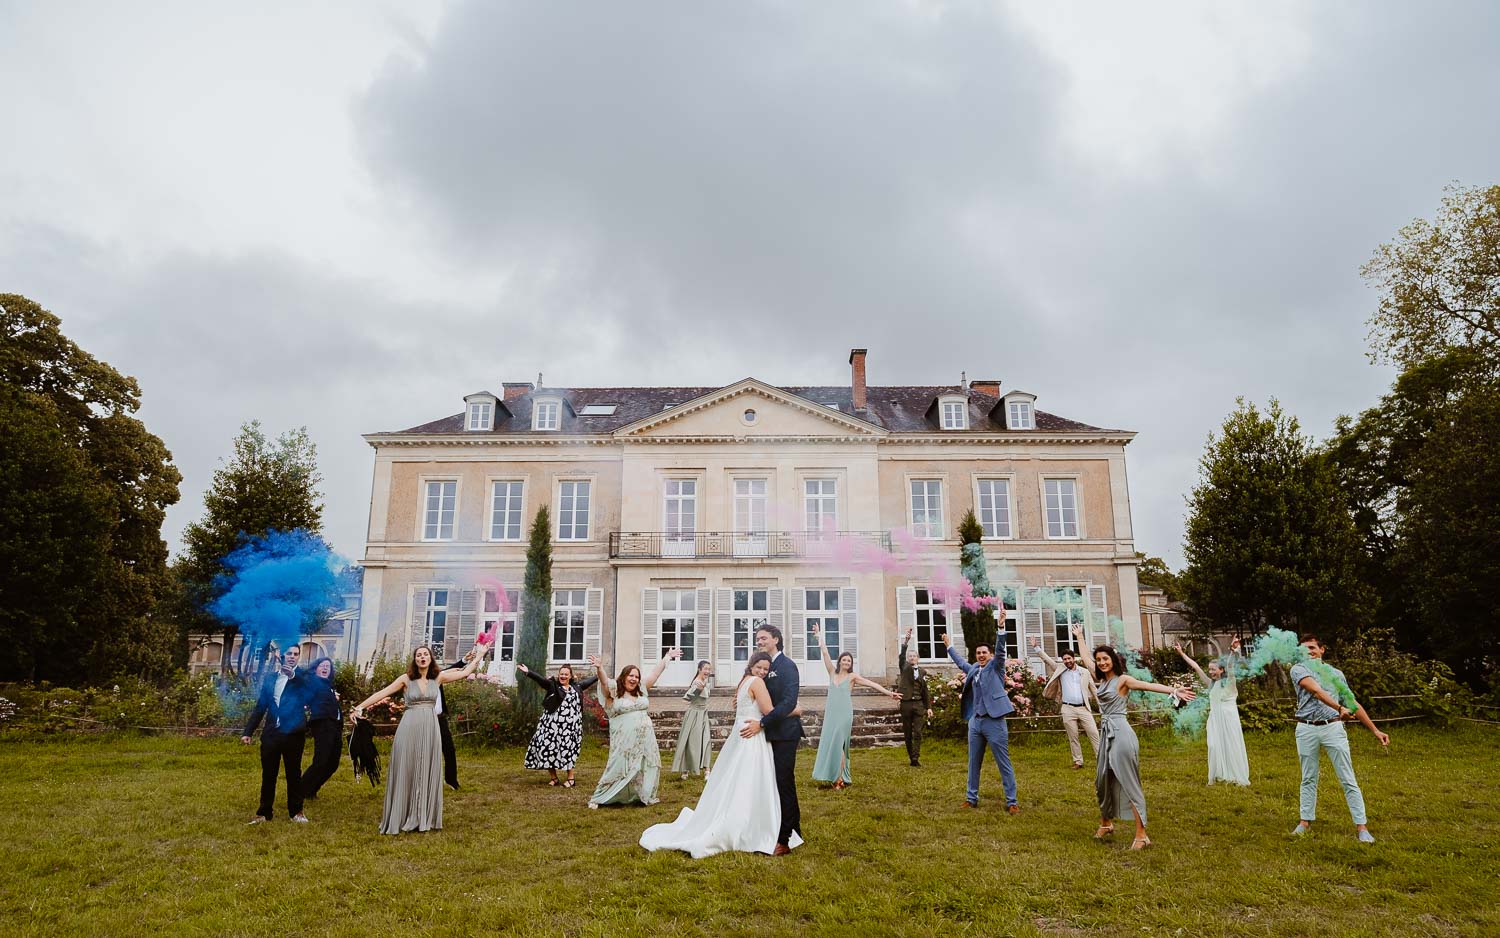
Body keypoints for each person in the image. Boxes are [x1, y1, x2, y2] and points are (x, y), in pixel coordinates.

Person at [640, 652, 804, 857]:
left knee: (736, 778)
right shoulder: (758, 683)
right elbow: (769, 711)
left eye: (766, 669)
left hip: (740, 734)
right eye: (759, 667)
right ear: (752, 666)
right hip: (752, 735)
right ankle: (748, 825)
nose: (762, 671)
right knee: (752, 780)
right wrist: (795, 710)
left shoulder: (744, 681)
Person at [1074, 624, 1195, 849]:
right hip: (1106, 735)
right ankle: (1106, 823)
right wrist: (1080, 636)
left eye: (1105, 659)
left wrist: (1174, 691)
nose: (1101, 662)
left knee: (1129, 783)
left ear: (1113, 660)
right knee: (1102, 781)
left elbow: (1148, 685)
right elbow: (1085, 658)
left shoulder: (1123, 680)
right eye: (1099, 659)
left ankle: (1141, 835)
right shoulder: (1101, 680)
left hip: (1121, 735)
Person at [350, 642, 484, 835]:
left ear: (430, 659)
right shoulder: (406, 679)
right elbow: (382, 693)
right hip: (409, 726)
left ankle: (423, 815)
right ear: (415, 660)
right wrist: (359, 707)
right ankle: (403, 813)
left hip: (430, 728)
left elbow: (464, 672)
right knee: (408, 766)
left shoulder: (438, 678)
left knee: (427, 767)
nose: (422, 657)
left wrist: (480, 655)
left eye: (426, 655)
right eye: (419, 655)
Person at [1289, 634, 1389, 843]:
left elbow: (1353, 703)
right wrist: (1339, 707)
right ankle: (1304, 822)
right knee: (1308, 777)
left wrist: (1375, 730)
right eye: (1304, 649)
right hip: (1306, 729)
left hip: (1332, 728)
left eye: (1312, 648)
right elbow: (1315, 690)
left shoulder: (1336, 674)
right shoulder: (1298, 669)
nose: (1309, 652)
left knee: (1347, 778)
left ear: (1322, 649)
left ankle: (1362, 827)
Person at [586, 648, 681, 808]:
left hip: (645, 739)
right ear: (623, 677)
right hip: (623, 741)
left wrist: (667, 658)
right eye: (631, 675)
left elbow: (655, 674)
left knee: (643, 766)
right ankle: (599, 797)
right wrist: (599, 668)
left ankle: (640, 793)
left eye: (636, 676)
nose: (634, 679)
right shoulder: (614, 692)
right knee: (618, 766)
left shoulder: (641, 690)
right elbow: (603, 681)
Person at [738, 624, 803, 856]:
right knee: (773, 784)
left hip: (785, 733)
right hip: (766, 736)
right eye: (757, 638)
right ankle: (786, 829)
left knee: (784, 783)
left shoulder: (787, 666)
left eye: (763, 637)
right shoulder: (760, 669)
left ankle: (785, 839)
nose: (759, 641)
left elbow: (788, 702)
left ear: (776, 639)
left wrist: (762, 723)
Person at [811, 622, 900, 788]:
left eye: (849, 660)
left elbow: (872, 684)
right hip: (831, 714)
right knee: (832, 744)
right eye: (844, 660)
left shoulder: (852, 677)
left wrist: (889, 693)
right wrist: (819, 636)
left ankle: (838, 779)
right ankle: (838, 777)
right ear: (840, 661)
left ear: (851, 663)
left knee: (839, 744)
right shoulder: (832, 672)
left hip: (844, 714)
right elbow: (825, 653)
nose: (846, 662)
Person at [944, 632, 1019, 813]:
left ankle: (1012, 802)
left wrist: (1001, 628)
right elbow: (961, 663)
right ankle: (971, 798)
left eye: (984, 652)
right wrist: (949, 646)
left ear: (990, 655)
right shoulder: (974, 669)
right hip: (975, 722)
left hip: (995, 722)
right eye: (978, 653)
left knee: (1003, 762)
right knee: (973, 762)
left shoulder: (996, 667)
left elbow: (1001, 651)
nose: (981, 655)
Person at [242, 644, 310, 824]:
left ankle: (296, 812)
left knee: (293, 774)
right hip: (271, 734)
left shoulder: (302, 676)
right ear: (282, 656)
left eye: (296, 654)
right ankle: (264, 813)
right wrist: (248, 731)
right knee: (268, 775)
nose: (293, 657)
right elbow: (261, 706)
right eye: (289, 653)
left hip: (294, 734)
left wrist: (292, 676)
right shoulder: (271, 678)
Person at [1175, 639, 1249, 786]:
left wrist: (1234, 652)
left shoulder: (1230, 682)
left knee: (1231, 745)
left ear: (1221, 670)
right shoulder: (1211, 684)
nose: (1211, 672)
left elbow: (1230, 665)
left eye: (1214, 669)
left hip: (1228, 719)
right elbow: (1195, 667)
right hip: (1215, 719)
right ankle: (1218, 774)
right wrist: (1182, 653)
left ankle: (1235, 776)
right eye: (1209, 669)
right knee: (1214, 745)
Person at [517, 661, 599, 788]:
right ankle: (554, 778)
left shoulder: (577, 687)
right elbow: (541, 681)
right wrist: (528, 672)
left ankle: (571, 779)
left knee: (568, 750)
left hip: (570, 728)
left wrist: (600, 672)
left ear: (571, 676)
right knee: (548, 748)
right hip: (551, 726)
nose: (563, 676)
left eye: (566, 674)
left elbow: (590, 681)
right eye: (561, 674)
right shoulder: (553, 686)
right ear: (558, 675)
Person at [1032, 639, 1100, 770]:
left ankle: (1101, 760)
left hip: (1083, 708)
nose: (1067, 661)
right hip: (1067, 708)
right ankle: (1078, 761)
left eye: (1069, 658)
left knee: (1094, 734)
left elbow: (1094, 690)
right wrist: (1036, 647)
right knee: (1073, 736)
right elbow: (1047, 660)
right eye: (1064, 659)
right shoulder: (1060, 669)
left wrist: (1102, 705)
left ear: (1074, 658)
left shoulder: (1084, 672)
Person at [300, 656, 342, 799]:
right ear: (315, 668)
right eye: (322, 665)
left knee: (333, 763)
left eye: (328, 667)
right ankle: (300, 790)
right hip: (323, 725)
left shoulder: (329, 686)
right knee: (321, 761)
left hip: (335, 726)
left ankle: (311, 790)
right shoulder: (312, 682)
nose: (325, 668)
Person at [672, 661, 715, 780]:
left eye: (709, 669)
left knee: (706, 740)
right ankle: (685, 770)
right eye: (705, 669)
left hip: (703, 714)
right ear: (699, 669)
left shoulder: (707, 682)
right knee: (690, 742)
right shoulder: (696, 682)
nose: (707, 671)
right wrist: (697, 690)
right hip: (694, 714)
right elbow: (688, 698)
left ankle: (707, 770)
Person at [896, 629, 932, 767]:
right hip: (905, 704)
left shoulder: (923, 672)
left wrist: (928, 707)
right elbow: (901, 657)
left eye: (914, 656)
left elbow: (925, 691)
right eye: (910, 656)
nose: (911, 658)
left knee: (918, 732)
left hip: (918, 705)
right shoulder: (904, 668)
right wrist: (906, 641)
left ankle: (915, 758)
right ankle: (911, 756)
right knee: (907, 733)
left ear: (918, 658)